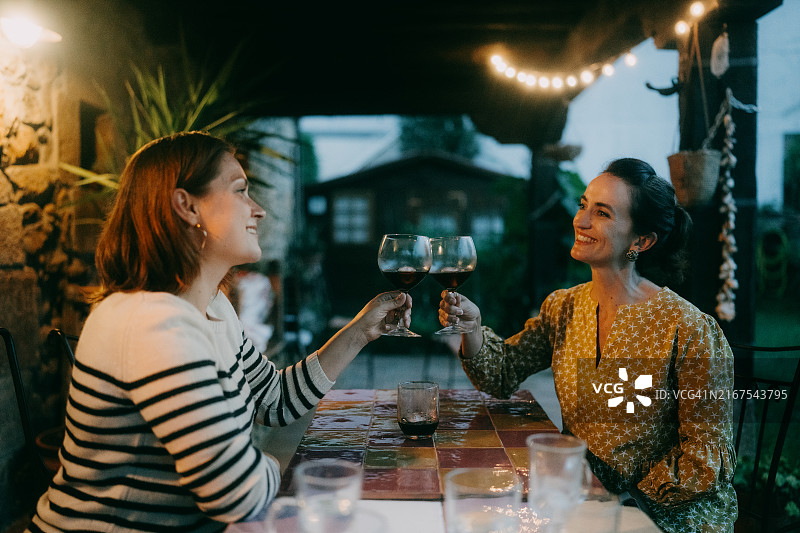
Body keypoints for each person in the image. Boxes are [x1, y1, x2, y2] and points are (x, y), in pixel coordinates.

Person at [29, 132, 412, 532]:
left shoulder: (213, 308)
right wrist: (270, 463)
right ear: (187, 205)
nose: (258, 210)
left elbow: (275, 400)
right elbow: (237, 495)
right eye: (241, 190)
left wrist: (360, 332)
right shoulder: (149, 323)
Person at [439, 158, 737, 532]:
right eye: (583, 205)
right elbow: (500, 374)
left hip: (663, 513)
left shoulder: (688, 329)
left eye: (602, 213)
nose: (580, 221)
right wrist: (473, 326)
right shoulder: (563, 307)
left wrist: (621, 497)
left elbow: (705, 458)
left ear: (641, 241)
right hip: (581, 499)